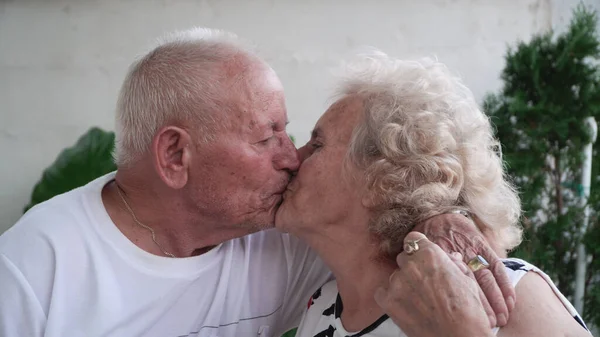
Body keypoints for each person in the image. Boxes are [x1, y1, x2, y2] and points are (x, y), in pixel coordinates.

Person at [0, 28, 510, 337]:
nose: (292, 158)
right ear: (176, 155)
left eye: (291, 132)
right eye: (267, 137)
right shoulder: (33, 268)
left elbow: (379, 204)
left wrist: (439, 212)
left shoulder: (284, 233)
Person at [275, 53, 590, 336]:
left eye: (317, 145)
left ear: (383, 180)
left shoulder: (500, 292)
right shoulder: (322, 306)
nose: (293, 158)